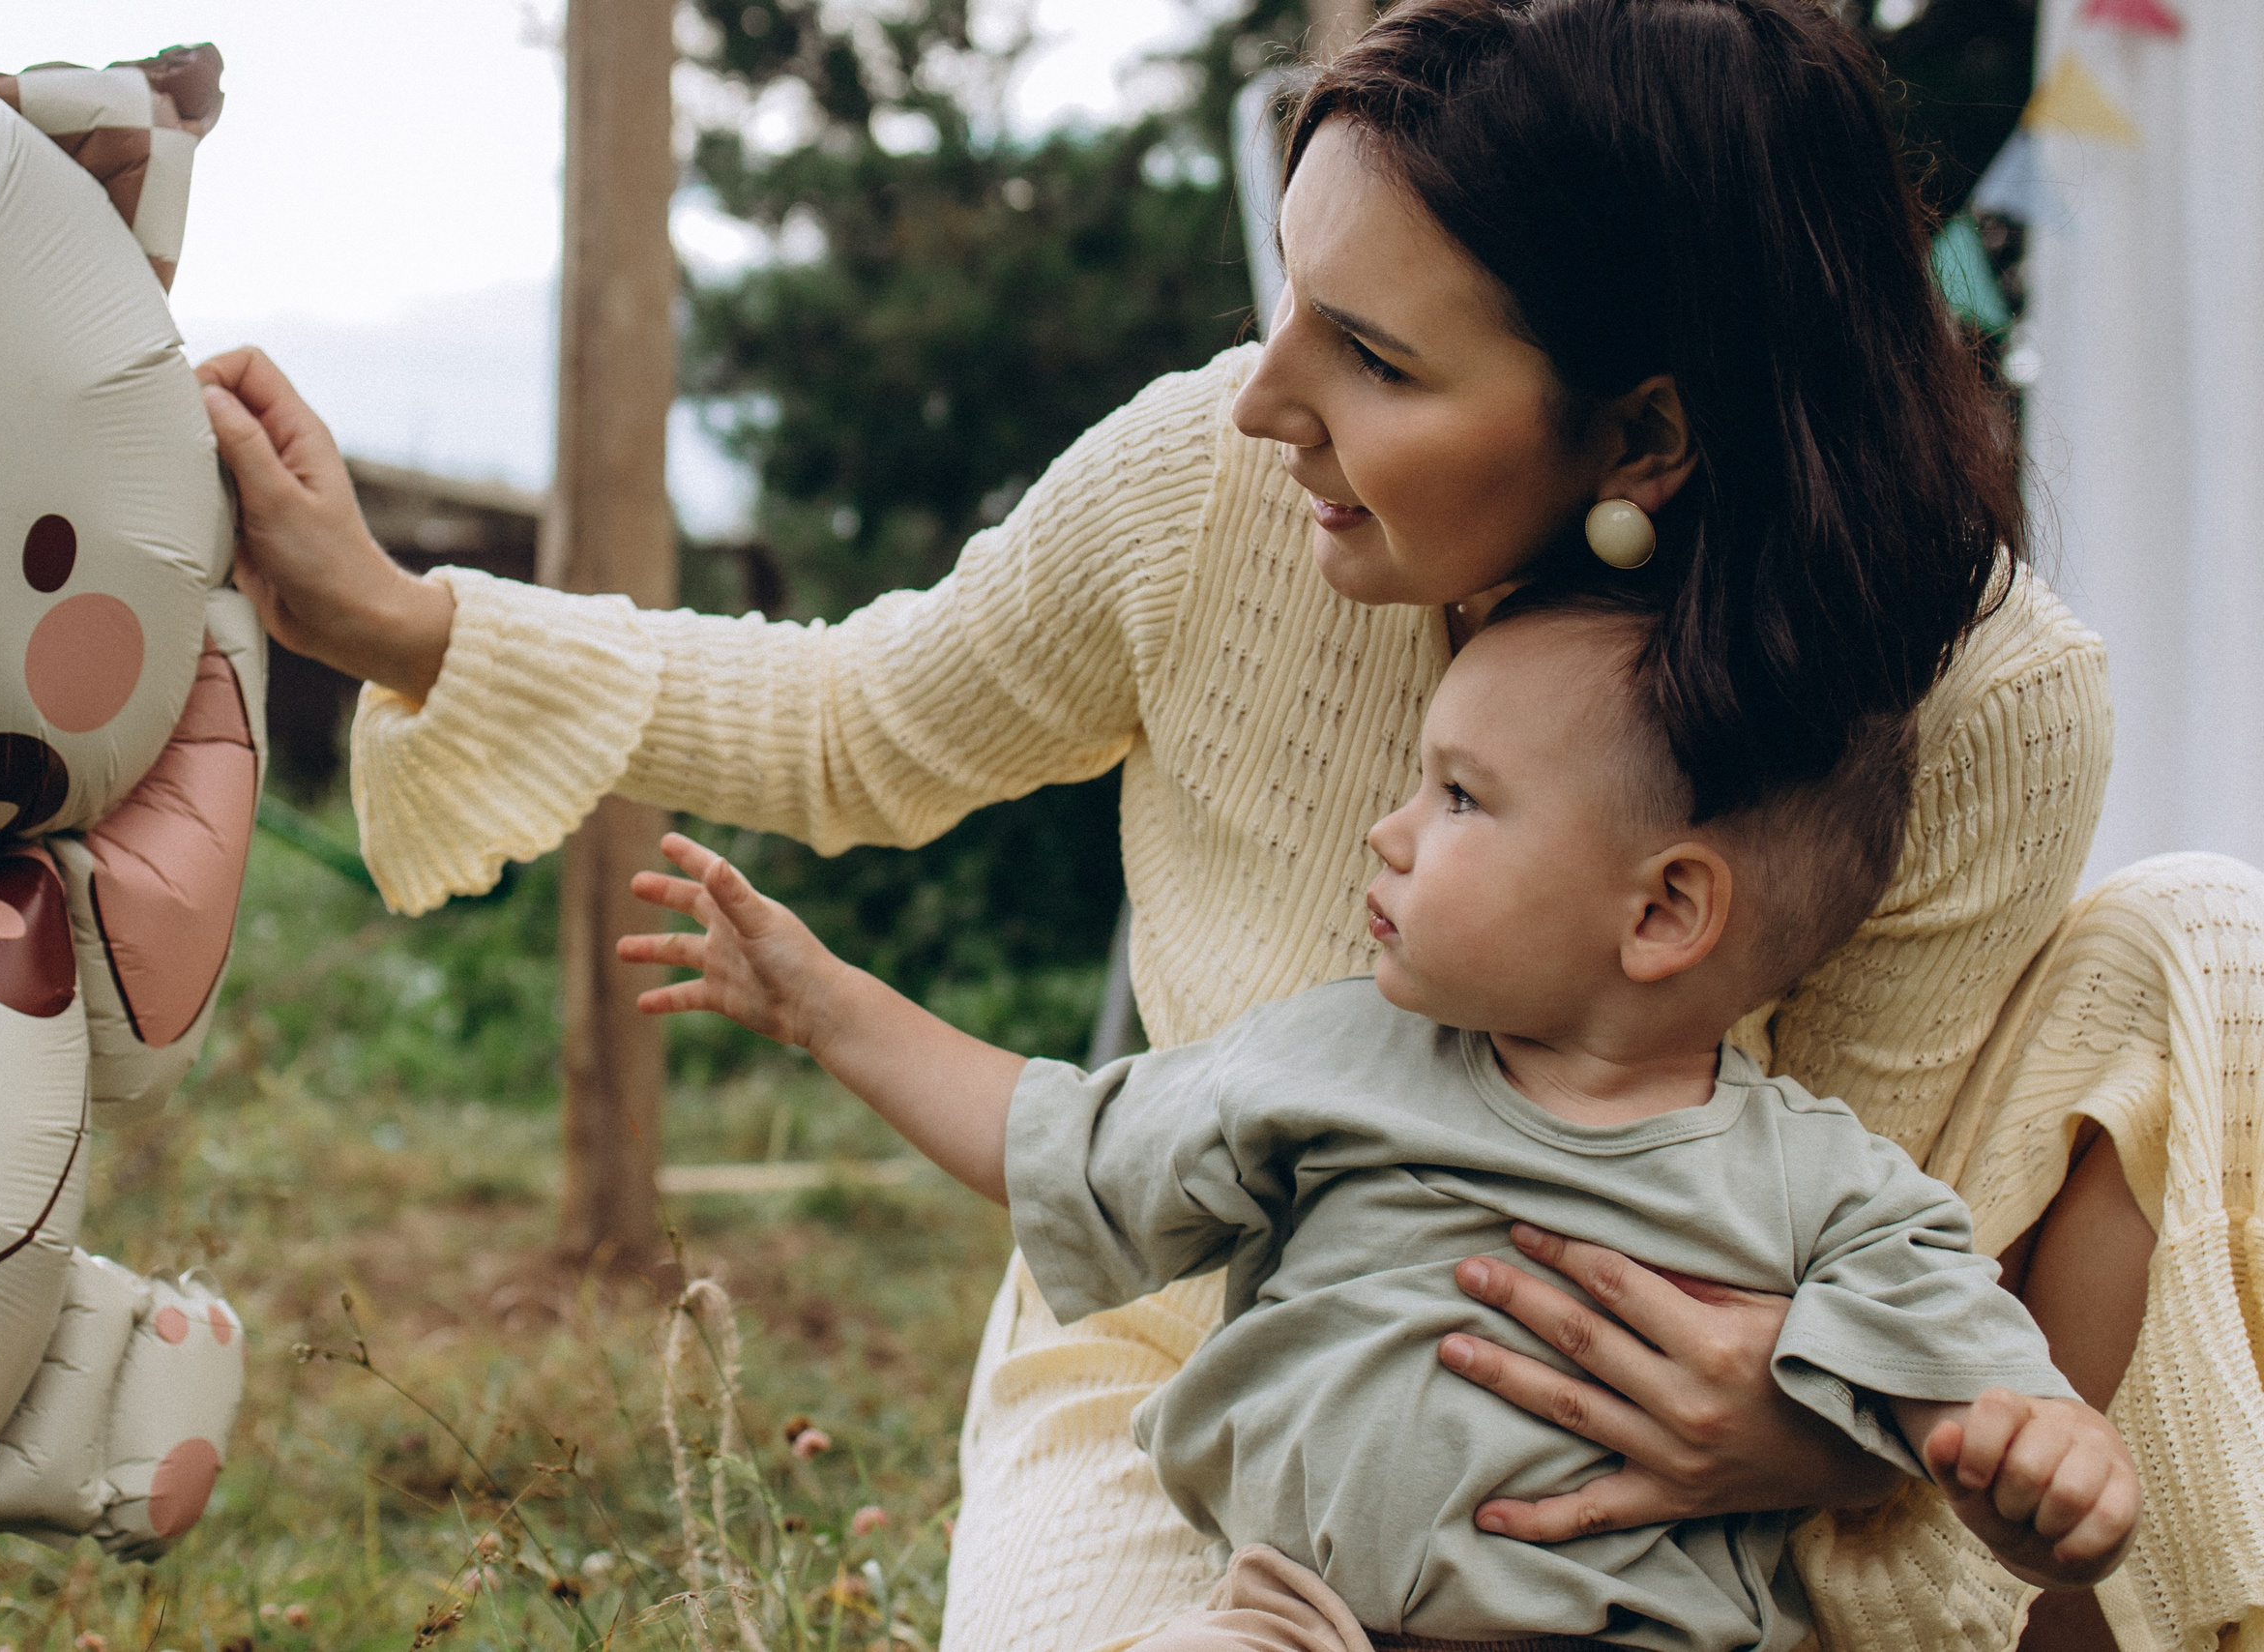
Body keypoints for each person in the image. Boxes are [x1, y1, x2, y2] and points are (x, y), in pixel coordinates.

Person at [194, 0, 2263, 1645]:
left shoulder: (1974, 694)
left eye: (1365, 355)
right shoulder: (1220, 477)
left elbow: (1865, 1200)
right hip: (1216, 1382)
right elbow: (858, 716)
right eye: (1293, 300)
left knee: (2197, 943)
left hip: (1694, 1460)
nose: (1265, 395)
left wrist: (1810, 1427)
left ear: (1640, 430)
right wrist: (400, 615)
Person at [612, 588, 2142, 1652]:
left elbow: (1977, 1419)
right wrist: (828, 1005)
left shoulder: (1828, 1190)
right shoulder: (1335, 1061)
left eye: (1461, 799)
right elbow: (1055, 1136)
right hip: (1292, 1621)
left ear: (1666, 908)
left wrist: (2050, 1480)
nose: (1389, 828)